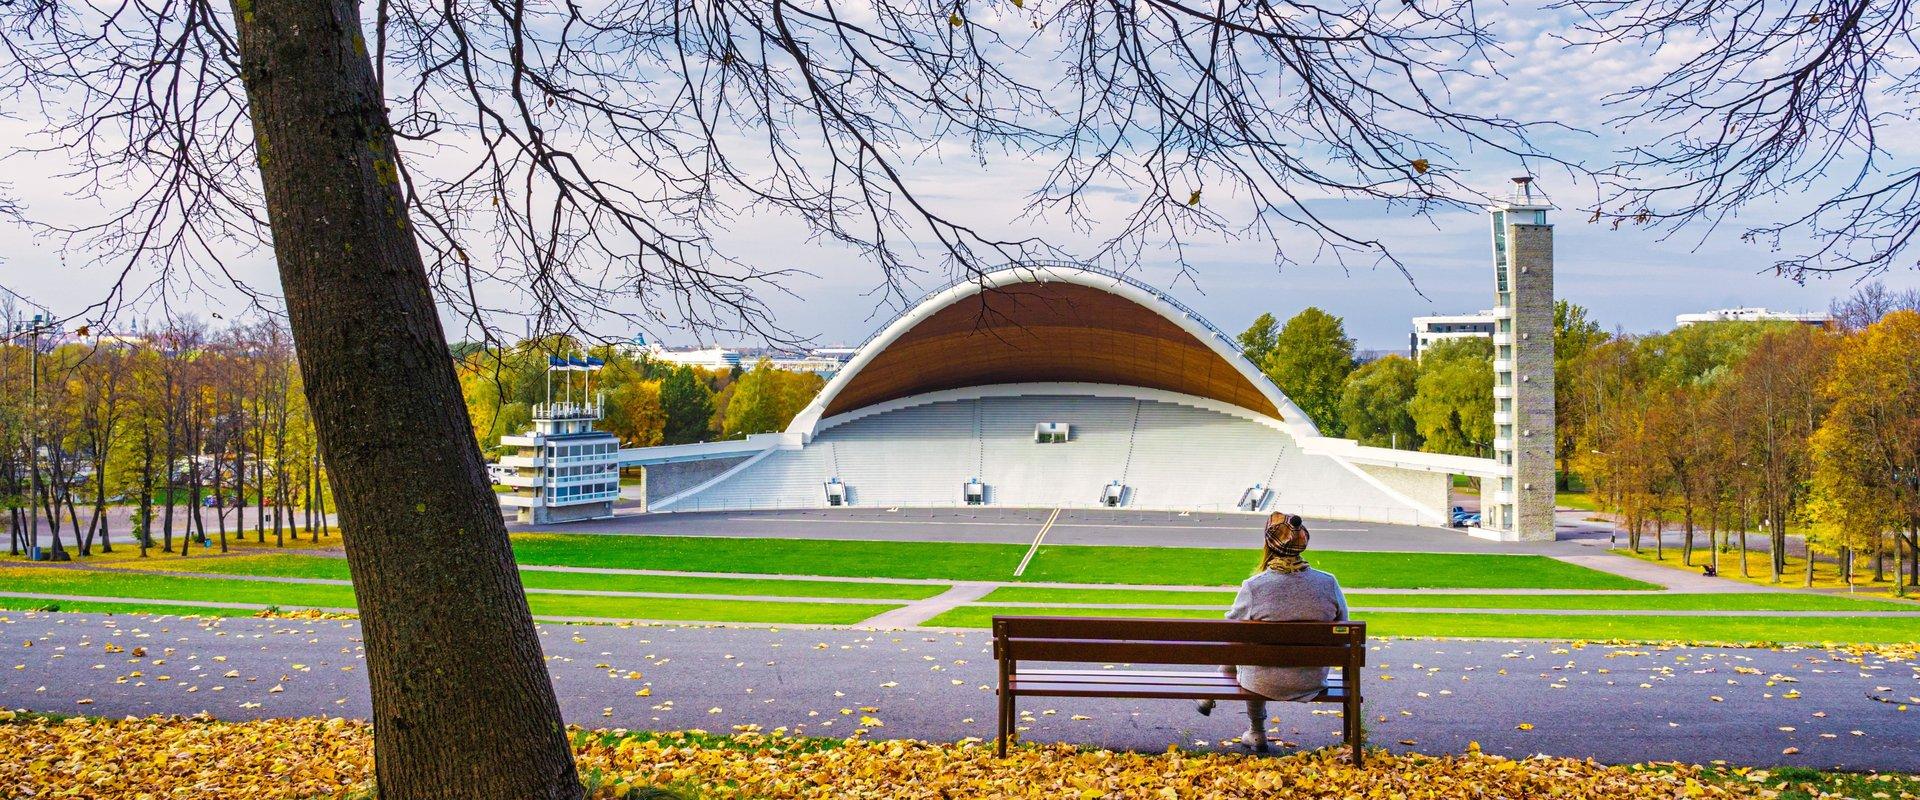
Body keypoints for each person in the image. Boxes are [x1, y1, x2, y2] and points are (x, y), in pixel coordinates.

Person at [1195, 512, 1348, 752]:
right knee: (1248, 647)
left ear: (1268, 544)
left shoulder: (1255, 586)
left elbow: (1230, 630)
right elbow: (1343, 627)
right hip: (1310, 679)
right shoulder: (1328, 583)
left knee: (1245, 645)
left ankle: (1256, 731)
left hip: (1263, 681)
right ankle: (1215, 698)